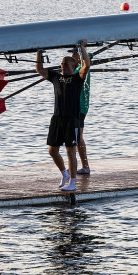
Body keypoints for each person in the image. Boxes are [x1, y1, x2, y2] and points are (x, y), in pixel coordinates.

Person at [35, 41, 90, 192]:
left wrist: (83, 48)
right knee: (52, 150)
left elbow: (87, 65)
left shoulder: (78, 78)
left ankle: (72, 181)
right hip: (57, 118)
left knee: (70, 150)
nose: (63, 66)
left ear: (73, 67)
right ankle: (64, 174)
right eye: (61, 64)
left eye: (66, 64)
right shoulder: (56, 77)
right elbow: (39, 69)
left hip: (72, 120)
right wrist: (39, 51)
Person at [71, 43, 92, 176]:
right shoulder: (74, 67)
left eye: (75, 53)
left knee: (78, 137)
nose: (72, 55)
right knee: (76, 137)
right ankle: (81, 166)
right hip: (74, 107)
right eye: (72, 53)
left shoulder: (81, 68)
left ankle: (84, 166)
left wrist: (84, 50)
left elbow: (88, 59)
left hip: (80, 107)